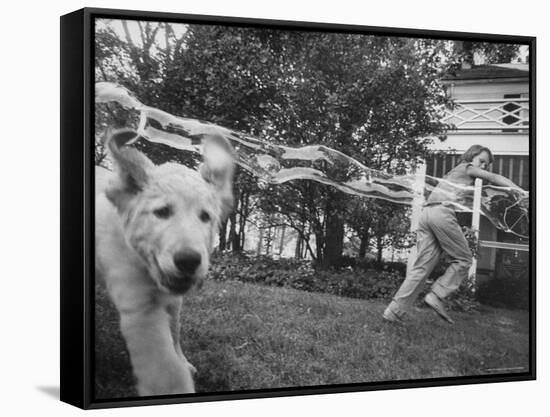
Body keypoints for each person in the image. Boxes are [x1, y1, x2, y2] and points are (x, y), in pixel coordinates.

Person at [383, 145, 523, 324]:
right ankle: (436, 295)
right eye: (482, 161)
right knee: (464, 259)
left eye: (486, 164)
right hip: (441, 213)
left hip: (427, 214)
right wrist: (518, 190)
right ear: (471, 156)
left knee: (421, 268)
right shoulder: (468, 167)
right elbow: (494, 177)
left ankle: (393, 313)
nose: (484, 167)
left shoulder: (454, 172)